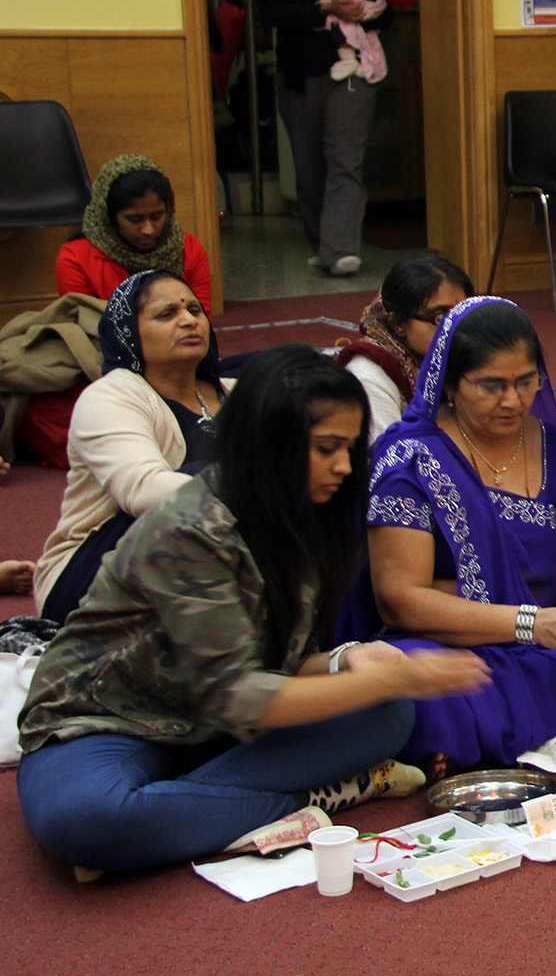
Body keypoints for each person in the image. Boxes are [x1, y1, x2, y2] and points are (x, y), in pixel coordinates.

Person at [15, 347, 487, 878]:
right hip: (110, 723)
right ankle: (314, 803)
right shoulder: (191, 528)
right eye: (327, 448)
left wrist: (345, 664)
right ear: (270, 445)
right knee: (86, 819)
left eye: (352, 448)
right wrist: (397, 677)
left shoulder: (308, 513)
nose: (346, 467)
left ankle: (172, 816)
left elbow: (279, 664)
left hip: (217, 730)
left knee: (392, 712)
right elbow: (238, 698)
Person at [361, 298, 556, 772]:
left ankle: (499, 738)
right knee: (412, 675)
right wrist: (534, 624)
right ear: (449, 382)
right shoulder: (409, 460)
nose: (512, 400)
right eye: (490, 386)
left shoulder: (554, 449)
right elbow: (399, 599)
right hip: (464, 647)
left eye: (525, 382)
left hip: (549, 645)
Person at [35, 272, 230, 624]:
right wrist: (262, 489)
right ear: (129, 333)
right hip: (92, 575)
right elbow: (143, 492)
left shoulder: (234, 392)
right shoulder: (110, 396)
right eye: (167, 314)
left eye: (195, 310)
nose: (189, 320)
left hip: (205, 562)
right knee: (193, 485)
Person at [256, 0, 394, 278]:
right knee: (310, 169)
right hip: (300, 74)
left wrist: (363, 11)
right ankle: (323, 244)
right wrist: (320, 11)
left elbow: (385, 2)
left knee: (345, 161)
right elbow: (271, 12)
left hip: (351, 74)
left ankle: (341, 249)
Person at [336, 253, 472, 443]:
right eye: (439, 318)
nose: (455, 329)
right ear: (398, 323)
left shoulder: (466, 358)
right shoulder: (369, 377)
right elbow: (384, 462)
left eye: (462, 314)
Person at [56, 155, 215, 309]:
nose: (148, 230)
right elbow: (86, 325)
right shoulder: (76, 260)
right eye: (135, 219)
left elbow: (200, 320)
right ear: (110, 217)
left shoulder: (189, 250)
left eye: (156, 216)